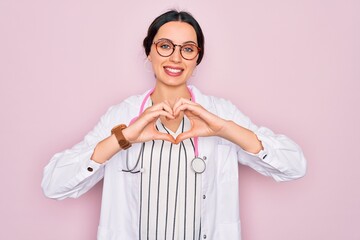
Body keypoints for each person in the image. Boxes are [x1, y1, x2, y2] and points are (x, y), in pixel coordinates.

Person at [41, 10, 306, 240]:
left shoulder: (220, 112)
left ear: (197, 59)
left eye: (188, 49)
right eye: (165, 46)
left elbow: (294, 166)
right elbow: (54, 185)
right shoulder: (122, 115)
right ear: (149, 51)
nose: (176, 58)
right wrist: (125, 138)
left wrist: (224, 129)